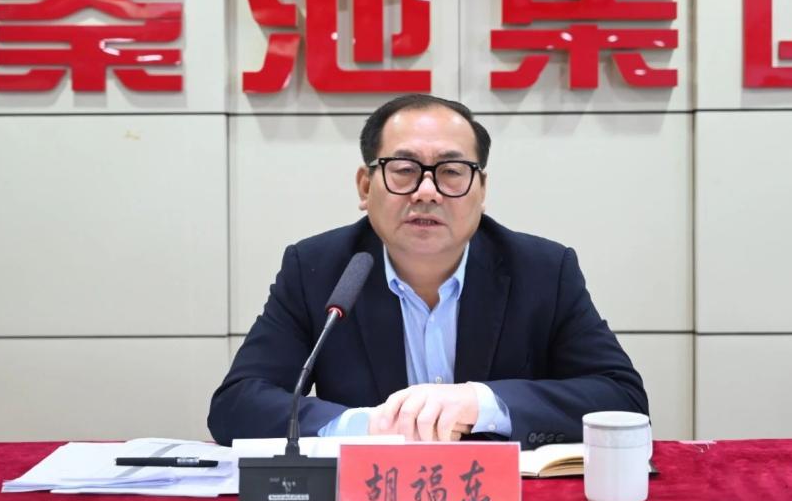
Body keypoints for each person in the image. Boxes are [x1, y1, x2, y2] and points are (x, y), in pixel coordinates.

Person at [208, 94, 647, 449]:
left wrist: (482, 403)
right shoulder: (318, 269)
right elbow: (237, 404)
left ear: (481, 189)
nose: (426, 191)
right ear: (365, 186)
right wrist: (364, 426)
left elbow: (622, 399)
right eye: (404, 170)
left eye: (452, 172)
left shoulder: (543, 270)